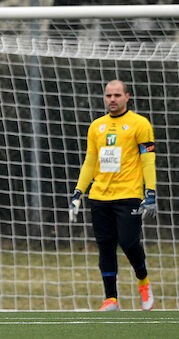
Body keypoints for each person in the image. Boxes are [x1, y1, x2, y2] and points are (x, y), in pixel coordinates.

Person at [69, 79, 156, 312]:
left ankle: (143, 281)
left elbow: (148, 160)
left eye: (117, 95)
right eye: (108, 96)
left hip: (128, 195)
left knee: (129, 242)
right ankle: (111, 298)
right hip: (99, 196)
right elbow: (90, 161)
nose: (112, 100)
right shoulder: (96, 126)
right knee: (105, 246)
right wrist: (79, 192)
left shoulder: (140, 124)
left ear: (127, 97)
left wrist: (151, 192)